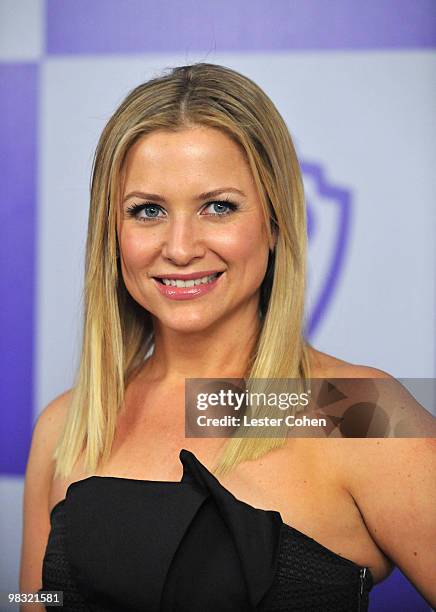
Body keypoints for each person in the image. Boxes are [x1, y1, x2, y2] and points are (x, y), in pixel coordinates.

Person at [19, 63, 435, 611]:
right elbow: (29, 597)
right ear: (111, 235)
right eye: (148, 211)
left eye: (219, 206)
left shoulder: (360, 409)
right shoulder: (66, 425)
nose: (182, 246)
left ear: (276, 222)